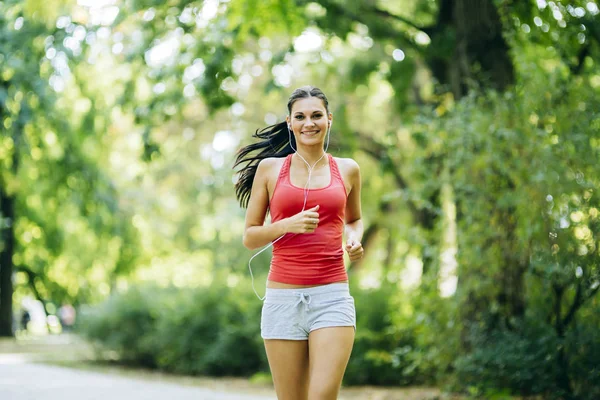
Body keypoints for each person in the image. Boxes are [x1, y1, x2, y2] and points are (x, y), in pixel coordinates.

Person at [234, 86, 364, 400]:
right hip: (283, 300)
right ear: (290, 123)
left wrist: (354, 238)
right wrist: (286, 225)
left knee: (321, 396)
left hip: (332, 297)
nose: (309, 123)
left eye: (317, 115)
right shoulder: (269, 170)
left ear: (329, 119)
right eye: (301, 117)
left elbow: (354, 218)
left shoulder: (347, 169)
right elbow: (250, 236)